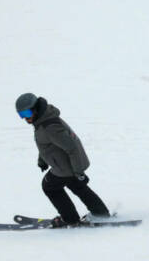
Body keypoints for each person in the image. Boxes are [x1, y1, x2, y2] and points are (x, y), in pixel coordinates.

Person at [15, 93, 110, 228]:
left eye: (27, 113)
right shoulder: (44, 119)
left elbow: (72, 147)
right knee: (76, 185)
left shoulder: (49, 127)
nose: (25, 118)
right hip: (69, 163)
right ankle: (100, 212)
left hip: (66, 166)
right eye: (21, 115)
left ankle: (70, 219)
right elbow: (46, 146)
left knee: (50, 187)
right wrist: (42, 160)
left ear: (35, 108)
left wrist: (79, 172)